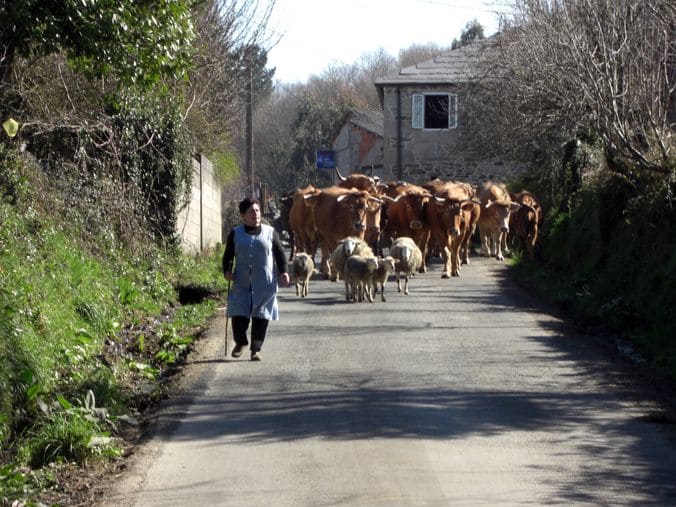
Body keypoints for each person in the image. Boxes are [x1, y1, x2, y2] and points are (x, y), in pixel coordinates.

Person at [223, 197, 290, 361]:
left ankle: (256, 349)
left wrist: (284, 271)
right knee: (239, 315)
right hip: (241, 282)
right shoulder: (235, 233)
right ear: (243, 215)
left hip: (264, 283)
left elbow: (280, 253)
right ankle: (240, 342)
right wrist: (227, 271)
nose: (256, 214)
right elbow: (228, 256)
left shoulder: (270, 232)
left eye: (257, 210)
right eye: (251, 211)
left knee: (261, 316)